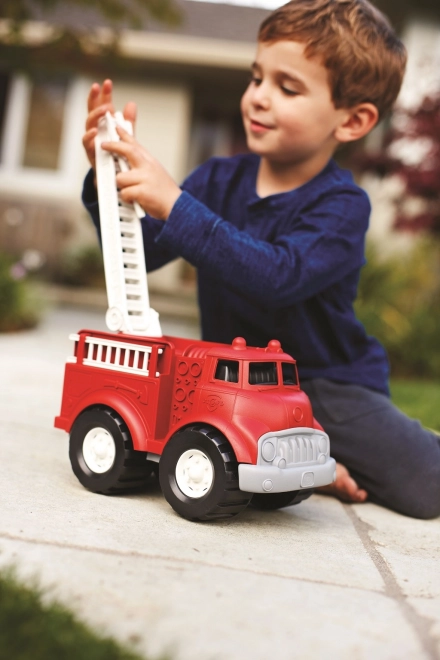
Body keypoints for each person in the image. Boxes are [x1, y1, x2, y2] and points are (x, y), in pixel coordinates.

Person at [82, 0, 440, 519]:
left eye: (287, 87)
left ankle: (322, 454)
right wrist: (105, 176)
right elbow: (146, 251)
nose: (258, 98)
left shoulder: (342, 206)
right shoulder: (216, 180)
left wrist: (177, 204)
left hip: (321, 385)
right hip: (227, 381)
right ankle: (308, 467)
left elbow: (278, 275)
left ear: (353, 120)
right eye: (256, 78)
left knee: (425, 485)